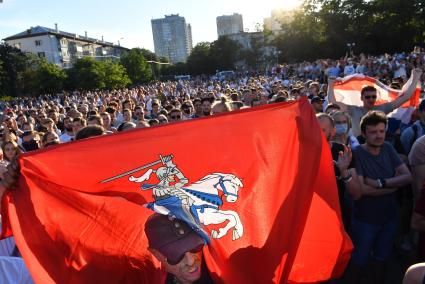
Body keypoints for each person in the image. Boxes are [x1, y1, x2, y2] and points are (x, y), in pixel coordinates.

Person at [348, 110, 412, 283]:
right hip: (365, 219)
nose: (378, 136)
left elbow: (407, 177)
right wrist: (394, 185)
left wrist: (379, 183)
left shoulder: (388, 148)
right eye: (373, 132)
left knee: (381, 259)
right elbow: (362, 190)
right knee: (359, 261)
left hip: (389, 217)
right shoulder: (357, 153)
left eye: (382, 131)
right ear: (363, 134)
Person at [327, 68, 422, 137]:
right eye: (367, 97)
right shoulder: (354, 109)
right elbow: (333, 103)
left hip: (378, 144)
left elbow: (405, 98)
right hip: (359, 146)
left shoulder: (381, 109)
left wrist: (415, 78)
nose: (371, 99)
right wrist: (330, 85)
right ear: (362, 98)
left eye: (373, 96)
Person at [144, 213, 214, 284]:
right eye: (176, 254)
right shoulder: (153, 279)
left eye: (195, 247)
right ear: (157, 255)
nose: (191, 262)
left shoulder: (221, 271)